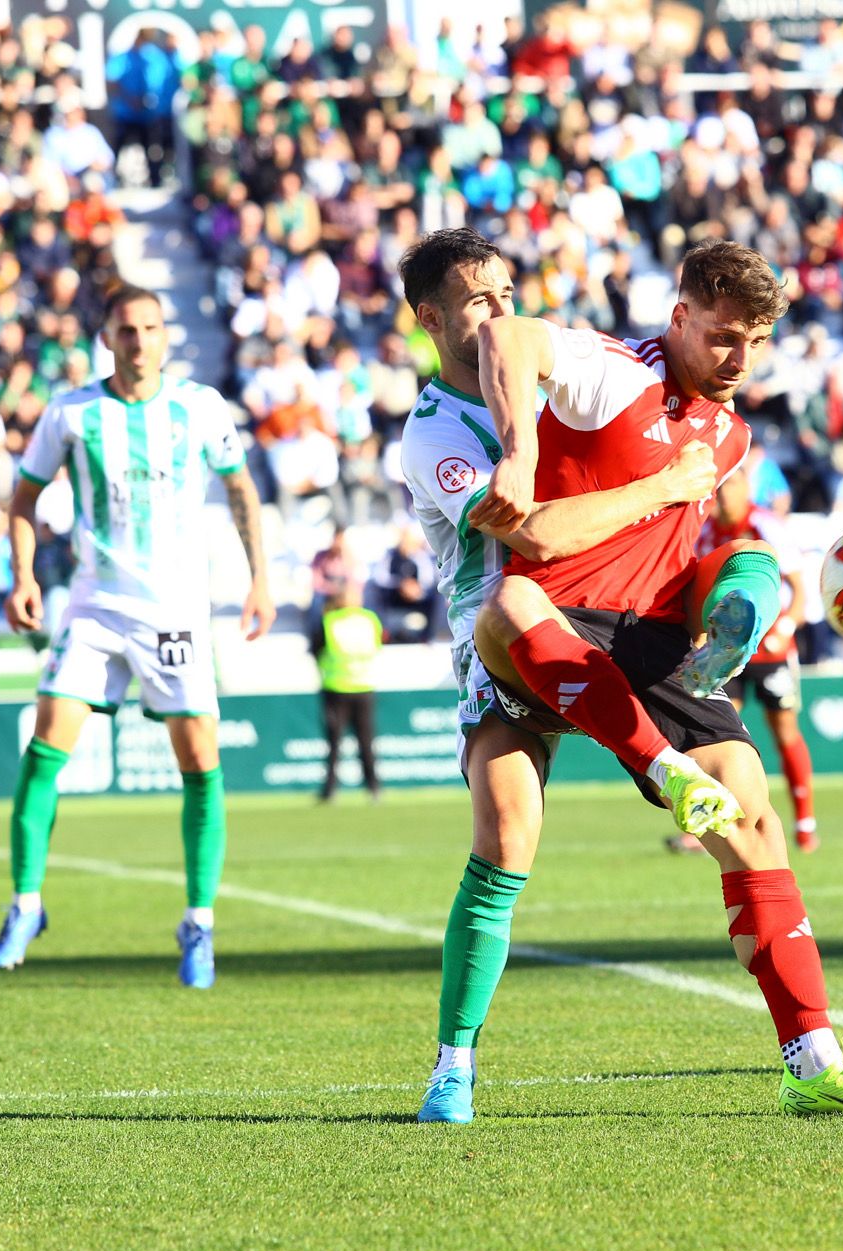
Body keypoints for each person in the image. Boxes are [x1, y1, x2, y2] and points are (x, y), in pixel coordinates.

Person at [449, 237, 843, 1120]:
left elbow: (709, 541)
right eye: (724, 337)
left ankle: (813, 1055)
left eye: (756, 342)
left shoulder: (732, 432)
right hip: (558, 620)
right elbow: (509, 339)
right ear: (679, 318)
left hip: (654, 637)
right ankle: (663, 770)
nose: (740, 359)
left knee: (752, 815)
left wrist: (740, 588)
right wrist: (517, 457)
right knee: (507, 607)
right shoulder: (615, 373)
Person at [395, 229, 724, 1125]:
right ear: (430, 320)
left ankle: (810, 1043)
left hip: (612, 622)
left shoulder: (564, 385)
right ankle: (452, 1066)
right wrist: (665, 488)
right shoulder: (434, 437)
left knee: (744, 802)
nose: (501, 313)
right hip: (500, 636)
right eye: (477, 301)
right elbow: (536, 536)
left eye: (507, 293)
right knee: (505, 840)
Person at [0, 286, 276, 990]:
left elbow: (241, 490)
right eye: (126, 329)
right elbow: (22, 497)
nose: (140, 340)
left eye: (150, 327)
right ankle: (26, 903)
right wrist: (23, 573)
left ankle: (199, 923)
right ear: (106, 338)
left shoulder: (200, 408)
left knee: (200, 759)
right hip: (94, 603)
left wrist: (259, 579)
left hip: (174, 608)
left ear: (165, 335)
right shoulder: (72, 412)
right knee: (46, 746)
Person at [675, 467, 819, 853]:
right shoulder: (705, 529)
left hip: (771, 649)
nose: (722, 494)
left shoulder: (764, 525)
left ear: (746, 489)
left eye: (731, 485)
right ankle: (708, 825)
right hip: (722, 651)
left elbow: (800, 590)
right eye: (718, 487)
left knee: (784, 731)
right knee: (718, 736)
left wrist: (785, 627)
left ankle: (805, 822)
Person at [310, 576, 382, 802]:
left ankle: (334, 790)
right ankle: (371, 789)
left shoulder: (329, 620)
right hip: (356, 686)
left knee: (340, 743)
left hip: (340, 686)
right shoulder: (369, 619)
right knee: (361, 741)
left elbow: (316, 650)